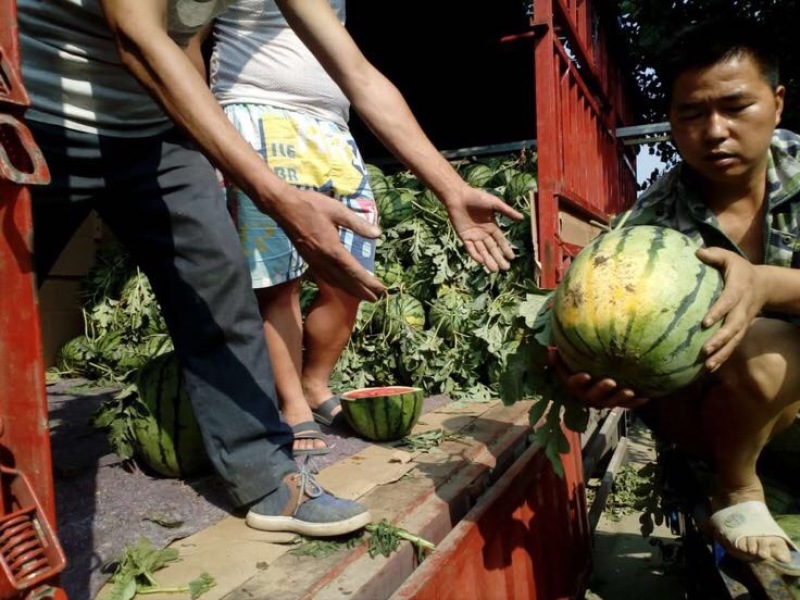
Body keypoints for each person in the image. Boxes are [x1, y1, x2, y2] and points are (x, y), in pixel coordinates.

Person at [17, 0, 521, 536]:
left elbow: (357, 73)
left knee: (221, 290)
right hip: (37, 114)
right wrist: (276, 193)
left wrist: (450, 187)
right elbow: (137, 36)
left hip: (155, 133)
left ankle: (266, 476)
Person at [206, 0, 522, 455]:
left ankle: (315, 383)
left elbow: (360, 74)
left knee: (350, 276)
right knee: (279, 282)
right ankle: (292, 404)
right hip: (253, 117)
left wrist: (451, 188)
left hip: (332, 129)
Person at [553, 16, 800, 574]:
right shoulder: (649, 221)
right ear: (671, 120)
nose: (715, 131)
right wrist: (584, 372)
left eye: (736, 107)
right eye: (692, 113)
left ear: (778, 103)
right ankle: (737, 490)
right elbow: (586, 320)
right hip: (713, 417)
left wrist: (767, 285)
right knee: (758, 342)